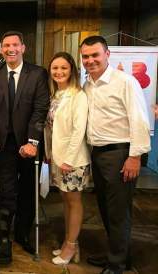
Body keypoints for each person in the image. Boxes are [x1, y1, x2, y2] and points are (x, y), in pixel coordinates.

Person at [0, 30, 49, 264]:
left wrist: (33, 142)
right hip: (3, 145)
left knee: (27, 192)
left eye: (15, 45)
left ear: (23, 48)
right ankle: (2, 241)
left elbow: (40, 110)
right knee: (7, 191)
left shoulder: (37, 74)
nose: (11, 49)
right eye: (6, 45)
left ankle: (23, 234)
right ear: (1, 49)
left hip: (29, 145)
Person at [80, 36, 150, 274]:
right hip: (98, 154)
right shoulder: (87, 84)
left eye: (95, 55)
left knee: (119, 212)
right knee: (105, 208)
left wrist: (135, 157)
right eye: (86, 56)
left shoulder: (125, 81)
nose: (90, 60)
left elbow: (140, 119)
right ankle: (118, 254)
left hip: (120, 154)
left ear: (107, 54)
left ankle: (117, 264)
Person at [44, 52, 90, 265]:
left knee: (74, 202)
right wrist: (49, 154)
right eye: (55, 68)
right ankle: (70, 243)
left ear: (72, 70)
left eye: (64, 68)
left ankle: (70, 247)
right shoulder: (56, 94)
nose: (59, 72)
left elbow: (78, 131)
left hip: (73, 161)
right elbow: (51, 129)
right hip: (58, 158)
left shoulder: (78, 95)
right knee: (65, 201)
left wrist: (68, 160)